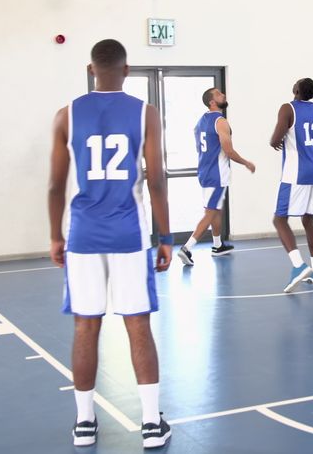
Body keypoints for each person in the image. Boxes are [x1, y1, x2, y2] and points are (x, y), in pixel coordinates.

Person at [47, 39, 174, 447]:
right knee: (138, 324)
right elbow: (156, 181)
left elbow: (55, 186)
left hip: (83, 235)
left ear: (91, 69)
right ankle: (151, 423)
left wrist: (56, 235)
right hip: (128, 234)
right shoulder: (145, 113)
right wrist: (166, 237)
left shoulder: (66, 115)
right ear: (127, 70)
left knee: (85, 326)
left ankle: (85, 422)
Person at [177, 88, 255, 266]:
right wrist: (246, 163)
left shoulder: (200, 122)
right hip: (216, 175)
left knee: (216, 209)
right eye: (219, 94)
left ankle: (218, 245)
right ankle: (187, 248)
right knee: (210, 212)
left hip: (205, 172)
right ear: (212, 102)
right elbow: (228, 150)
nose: (223, 95)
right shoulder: (220, 121)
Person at [269, 78, 313, 293]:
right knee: (308, 219)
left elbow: (274, 140)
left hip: (296, 172)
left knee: (279, 219)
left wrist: (279, 140)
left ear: (296, 90)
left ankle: (298, 266)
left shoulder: (288, 108)